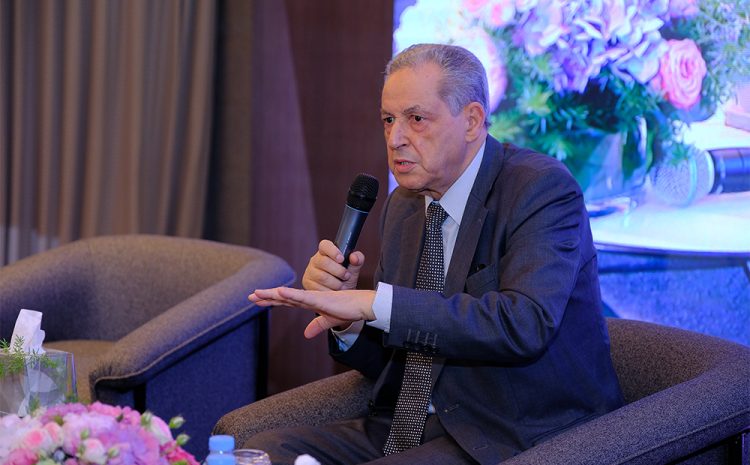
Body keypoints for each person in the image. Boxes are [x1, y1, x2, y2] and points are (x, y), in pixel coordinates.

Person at [247, 43, 623, 465]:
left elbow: (524, 325)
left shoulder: (539, 189)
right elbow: (400, 360)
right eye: (388, 119)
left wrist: (375, 303)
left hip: (506, 434)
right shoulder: (403, 206)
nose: (395, 138)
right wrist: (349, 320)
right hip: (407, 427)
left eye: (416, 119)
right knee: (262, 453)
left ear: (472, 121)